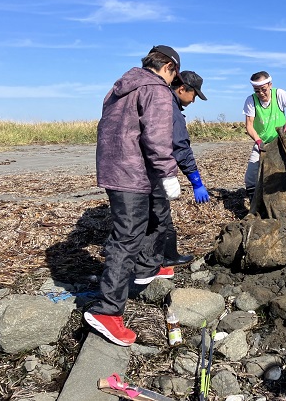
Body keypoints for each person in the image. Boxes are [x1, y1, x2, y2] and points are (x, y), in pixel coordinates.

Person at [84, 45, 183, 346]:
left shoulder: (118, 88)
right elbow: (156, 136)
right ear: (167, 66)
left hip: (115, 167)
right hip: (133, 171)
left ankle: (146, 267)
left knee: (150, 218)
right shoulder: (156, 89)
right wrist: (168, 173)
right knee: (126, 236)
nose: (172, 81)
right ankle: (108, 311)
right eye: (173, 73)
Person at [162, 71, 210, 266]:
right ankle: (167, 257)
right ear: (182, 89)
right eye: (194, 95)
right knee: (160, 214)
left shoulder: (160, 101)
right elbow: (181, 148)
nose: (194, 100)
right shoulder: (172, 110)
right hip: (153, 172)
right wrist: (196, 182)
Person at [243, 71, 286, 200]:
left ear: (270, 85)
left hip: (279, 143)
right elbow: (249, 125)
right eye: (257, 90)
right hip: (261, 143)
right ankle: (253, 200)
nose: (260, 93)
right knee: (251, 175)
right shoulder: (251, 100)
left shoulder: (279, 94)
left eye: (263, 90)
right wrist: (258, 141)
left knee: (282, 172)